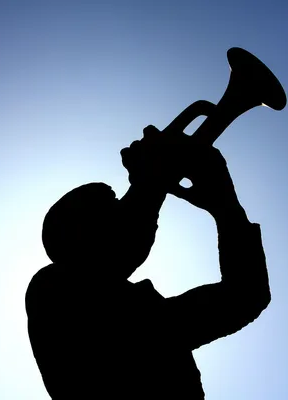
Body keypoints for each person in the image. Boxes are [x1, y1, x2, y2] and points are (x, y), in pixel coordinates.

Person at [25, 125, 271, 399]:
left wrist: (225, 206)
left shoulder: (136, 309)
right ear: (80, 234)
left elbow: (246, 295)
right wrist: (150, 182)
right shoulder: (53, 291)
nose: (128, 209)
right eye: (113, 209)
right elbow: (125, 243)